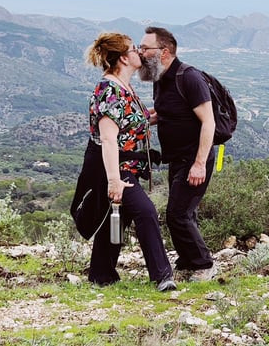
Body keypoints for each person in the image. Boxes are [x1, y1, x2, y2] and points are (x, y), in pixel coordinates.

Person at [80, 32, 176, 291]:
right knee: (145, 212)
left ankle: (101, 275)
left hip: (127, 166)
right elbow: (109, 140)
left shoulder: (125, 88)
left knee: (117, 218)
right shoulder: (109, 90)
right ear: (123, 58)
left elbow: (135, 122)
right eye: (134, 49)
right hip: (116, 167)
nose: (139, 53)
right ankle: (162, 276)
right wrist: (114, 181)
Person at [138, 26, 217, 281]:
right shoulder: (160, 79)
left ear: (164, 51)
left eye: (145, 48)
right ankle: (188, 262)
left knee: (177, 214)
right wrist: (146, 119)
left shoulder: (189, 77)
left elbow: (208, 122)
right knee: (184, 212)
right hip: (177, 158)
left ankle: (203, 266)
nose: (140, 53)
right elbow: (170, 112)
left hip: (194, 159)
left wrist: (199, 164)